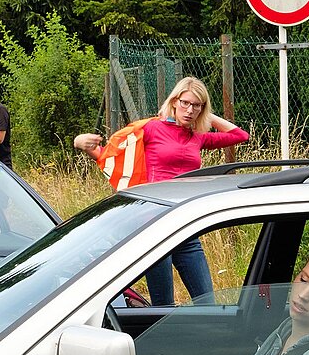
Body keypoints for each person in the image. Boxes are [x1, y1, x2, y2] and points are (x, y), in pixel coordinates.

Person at [73, 77, 249, 305]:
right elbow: (109, 156)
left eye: (196, 106)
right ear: (174, 101)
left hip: (186, 225)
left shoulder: (198, 137)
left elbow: (240, 136)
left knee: (207, 303)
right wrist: (80, 142)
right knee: (163, 306)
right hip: (154, 223)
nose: (189, 110)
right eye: (185, 103)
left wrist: (206, 114)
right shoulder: (150, 128)